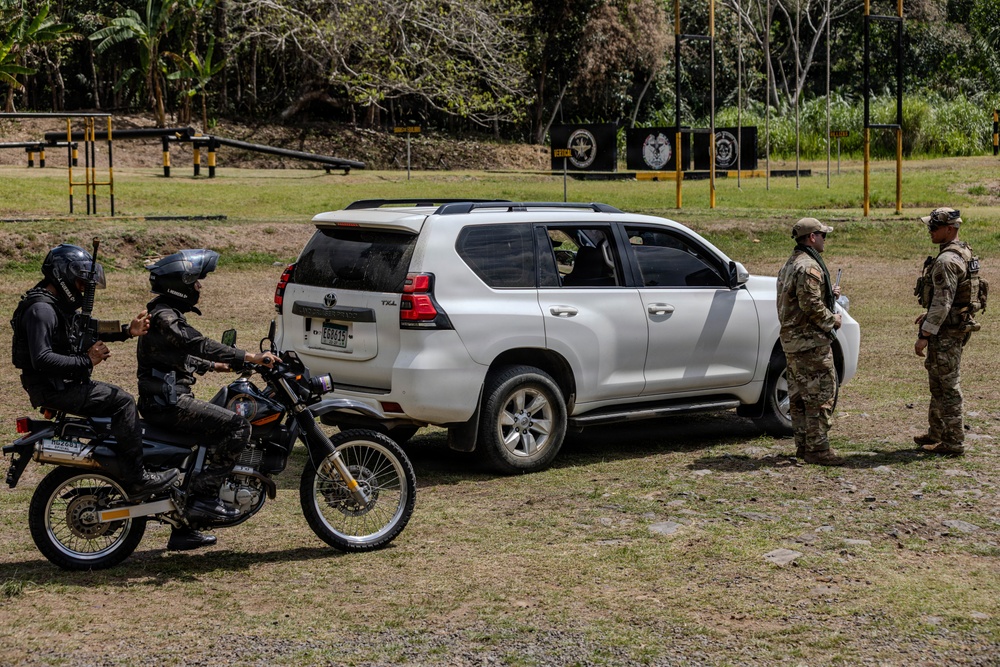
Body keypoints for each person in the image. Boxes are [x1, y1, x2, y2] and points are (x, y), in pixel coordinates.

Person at [11, 244, 178, 499]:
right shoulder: (41, 310)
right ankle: (137, 478)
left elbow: (87, 328)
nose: (83, 289)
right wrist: (87, 361)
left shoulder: (57, 306)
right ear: (62, 275)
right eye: (80, 283)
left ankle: (117, 461)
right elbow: (42, 359)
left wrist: (127, 330)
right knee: (122, 402)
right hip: (53, 389)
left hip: (60, 384)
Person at [136, 249, 276, 551]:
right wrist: (248, 356)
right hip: (168, 403)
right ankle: (206, 496)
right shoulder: (165, 316)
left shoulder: (164, 313)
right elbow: (194, 343)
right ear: (181, 283)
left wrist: (216, 366)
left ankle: (185, 528)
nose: (200, 287)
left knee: (214, 427)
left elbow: (174, 354)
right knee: (238, 426)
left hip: (164, 399)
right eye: (197, 281)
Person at [913, 207, 985, 456]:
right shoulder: (963, 251)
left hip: (948, 331)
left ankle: (953, 441)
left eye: (934, 227)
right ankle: (937, 432)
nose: (930, 231)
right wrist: (929, 316)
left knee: (947, 385)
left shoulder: (946, 261)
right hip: (954, 324)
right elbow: (950, 298)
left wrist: (925, 335)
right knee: (938, 381)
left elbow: (943, 303)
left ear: (950, 229)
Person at [776, 218, 844, 466]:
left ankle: (804, 446)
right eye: (823, 235)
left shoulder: (791, 264)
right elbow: (810, 305)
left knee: (799, 397)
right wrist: (832, 319)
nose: (825, 239)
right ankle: (817, 449)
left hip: (793, 342)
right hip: (810, 342)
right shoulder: (809, 267)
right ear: (812, 237)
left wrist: (828, 293)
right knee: (821, 394)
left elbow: (797, 298)